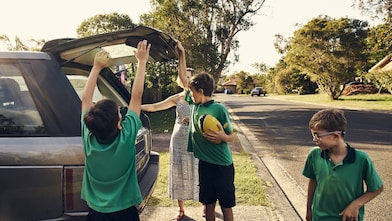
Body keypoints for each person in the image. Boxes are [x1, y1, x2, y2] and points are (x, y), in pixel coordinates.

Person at [80, 40, 151, 221]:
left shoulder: (89, 136)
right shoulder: (125, 139)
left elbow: (86, 99)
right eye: (120, 115)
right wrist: (142, 62)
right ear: (119, 125)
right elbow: (136, 96)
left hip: (97, 215)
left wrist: (96, 67)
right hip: (125, 213)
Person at [178, 42, 236, 221]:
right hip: (205, 164)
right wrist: (181, 52)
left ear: (201, 91)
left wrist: (222, 136)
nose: (191, 94)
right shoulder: (195, 106)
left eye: (193, 92)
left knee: (226, 206)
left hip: (222, 166)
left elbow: (232, 136)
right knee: (208, 203)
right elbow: (183, 79)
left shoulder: (219, 110)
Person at [141, 66, 202, 220]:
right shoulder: (176, 98)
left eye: (189, 77)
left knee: (199, 170)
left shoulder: (199, 96)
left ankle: (205, 204)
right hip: (178, 139)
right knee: (178, 171)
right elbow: (155, 106)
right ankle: (181, 209)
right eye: (184, 77)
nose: (185, 79)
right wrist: (136, 107)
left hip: (196, 138)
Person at [302, 108, 383, 221]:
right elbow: (313, 181)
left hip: (348, 219)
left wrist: (356, 204)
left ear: (335, 136)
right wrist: (308, 210)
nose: (314, 139)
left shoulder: (361, 159)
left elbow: (377, 188)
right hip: (320, 217)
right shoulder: (314, 155)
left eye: (317, 135)